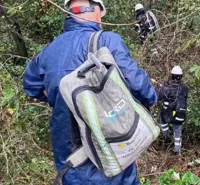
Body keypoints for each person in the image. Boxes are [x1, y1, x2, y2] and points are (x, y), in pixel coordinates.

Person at [23, 0, 157, 184]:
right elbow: (139, 86)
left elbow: (31, 86)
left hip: (72, 158)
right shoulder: (106, 40)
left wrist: (65, 100)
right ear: (96, 10)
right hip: (113, 148)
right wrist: (150, 99)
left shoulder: (48, 52)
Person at [158, 66, 189, 155]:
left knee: (162, 121)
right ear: (181, 76)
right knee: (177, 131)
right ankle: (177, 151)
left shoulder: (166, 87)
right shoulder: (185, 88)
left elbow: (158, 97)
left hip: (168, 113)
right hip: (180, 112)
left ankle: (167, 138)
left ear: (172, 75)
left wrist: (162, 88)